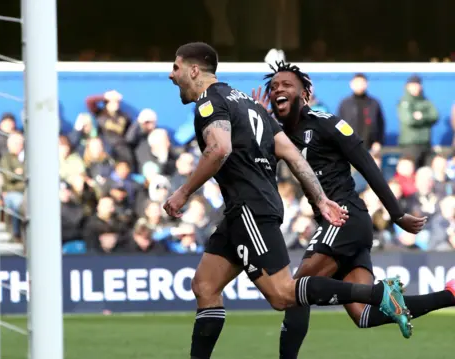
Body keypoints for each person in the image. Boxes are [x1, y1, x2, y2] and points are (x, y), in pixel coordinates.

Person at [163, 42, 410, 359]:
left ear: (194, 70)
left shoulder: (211, 103)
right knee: (205, 285)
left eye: (176, 67)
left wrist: (184, 191)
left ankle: (377, 294)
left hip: (249, 209)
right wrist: (319, 200)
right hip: (245, 210)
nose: (171, 75)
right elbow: (292, 153)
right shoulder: (250, 105)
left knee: (283, 295)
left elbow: (219, 148)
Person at [252, 61, 455, 358]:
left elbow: (366, 163)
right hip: (343, 224)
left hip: (344, 217)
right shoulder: (277, 134)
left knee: (295, 291)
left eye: (287, 85)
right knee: (364, 316)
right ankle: (450, 295)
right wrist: (257, 122)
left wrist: (396, 214)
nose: (278, 89)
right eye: (273, 87)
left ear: (305, 93)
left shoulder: (326, 122)